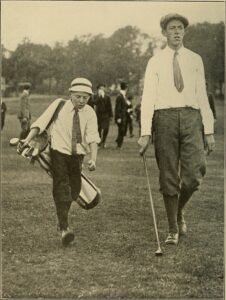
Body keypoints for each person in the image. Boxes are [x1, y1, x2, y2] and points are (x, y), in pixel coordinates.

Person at [138, 14, 215, 246]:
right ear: (164, 33)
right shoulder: (155, 61)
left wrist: (208, 129)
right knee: (168, 174)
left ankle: (178, 210)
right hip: (165, 118)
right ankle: (173, 227)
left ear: (185, 32)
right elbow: (148, 98)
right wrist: (144, 133)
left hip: (192, 118)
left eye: (180, 28)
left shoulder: (195, 59)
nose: (176, 32)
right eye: (172, 28)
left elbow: (202, 95)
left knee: (194, 175)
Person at [20, 78, 100, 246]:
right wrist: (27, 140)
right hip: (59, 154)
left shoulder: (90, 112)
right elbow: (40, 124)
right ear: (70, 94)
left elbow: (93, 137)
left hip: (77, 157)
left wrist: (93, 159)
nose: (81, 101)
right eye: (78, 96)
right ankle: (64, 228)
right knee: (61, 188)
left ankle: (62, 220)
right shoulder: (59, 105)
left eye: (85, 97)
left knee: (75, 191)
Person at [95, 84, 113, 148]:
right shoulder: (95, 96)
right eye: (101, 88)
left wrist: (111, 116)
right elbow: (95, 102)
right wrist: (99, 97)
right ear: (98, 89)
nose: (102, 90)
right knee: (98, 129)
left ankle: (103, 141)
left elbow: (109, 106)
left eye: (103, 88)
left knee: (106, 129)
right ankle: (99, 142)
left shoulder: (107, 97)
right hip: (98, 115)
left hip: (106, 115)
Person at [114, 82, 128, 148]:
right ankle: (119, 144)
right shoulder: (120, 96)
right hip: (121, 117)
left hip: (123, 116)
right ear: (125, 88)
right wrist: (119, 117)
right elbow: (118, 108)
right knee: (121, 130)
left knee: (122, 130)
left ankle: (118, 141)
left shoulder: (122, 96)